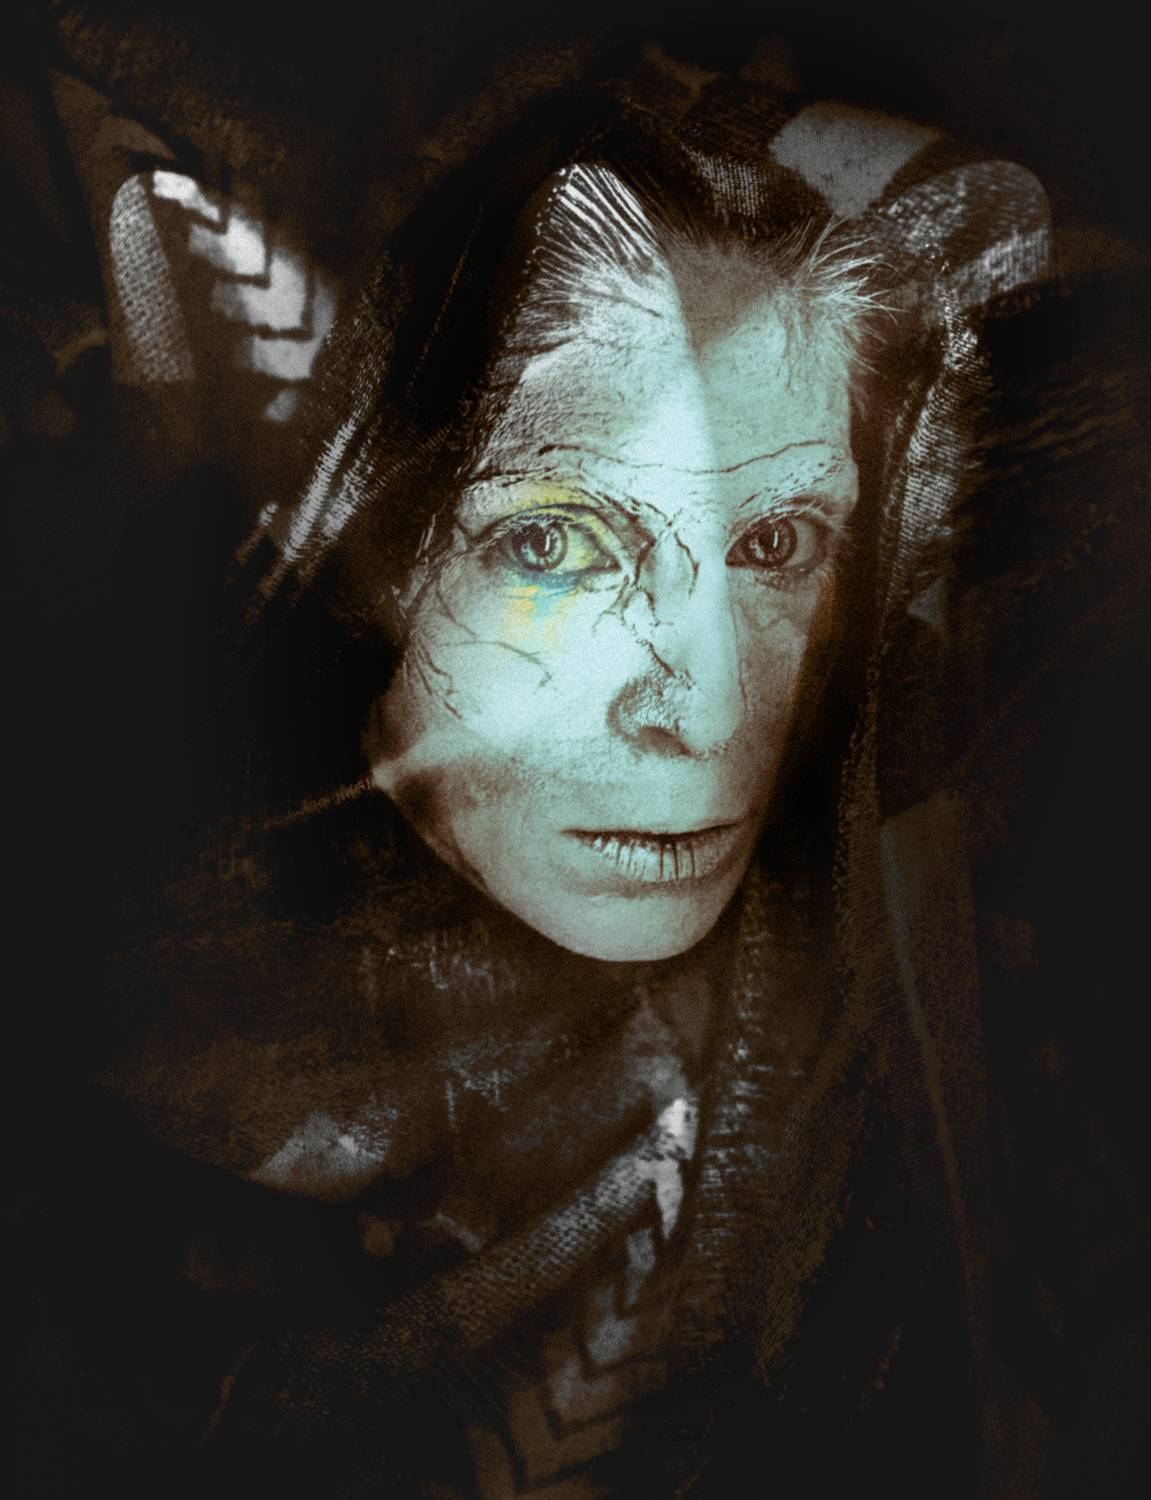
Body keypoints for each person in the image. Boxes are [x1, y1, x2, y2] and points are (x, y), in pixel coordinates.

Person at [7, 15, 1149, 1500]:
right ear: (373, 545)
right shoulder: (104, 1091)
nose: (708, 708)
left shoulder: (916, 1048)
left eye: (775, 544)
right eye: (556, 543)